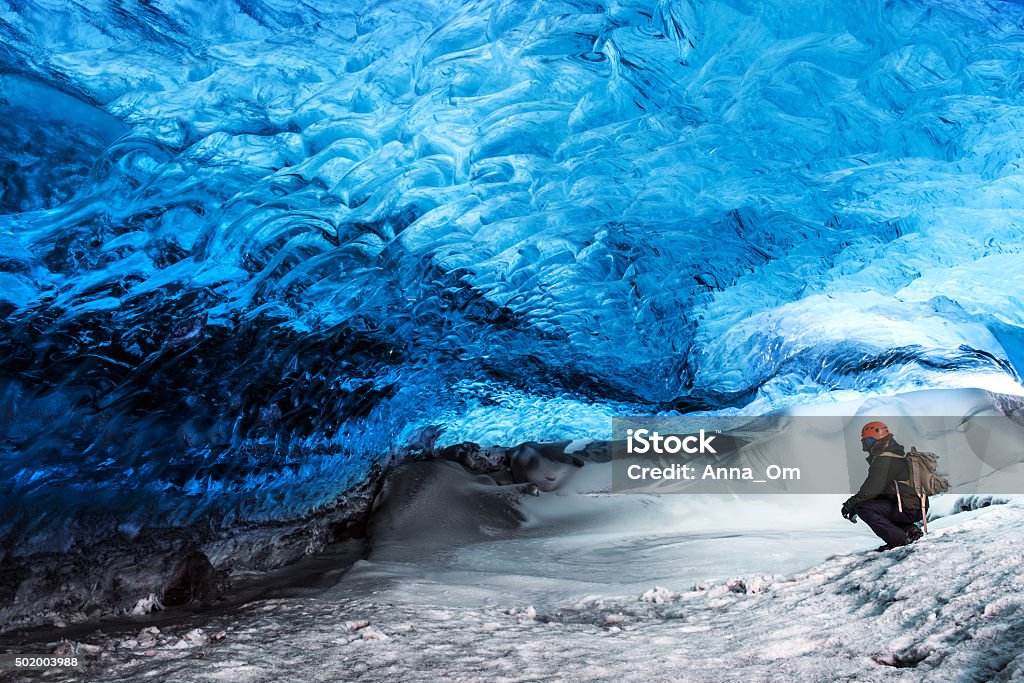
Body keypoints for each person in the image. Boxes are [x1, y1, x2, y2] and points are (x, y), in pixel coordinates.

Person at [841, 421, 925, 551]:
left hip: (908, 508)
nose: (866, 443)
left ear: (877, 441)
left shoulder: (884, 460)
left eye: (869, 440)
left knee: (863, 507)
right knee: (875, 503)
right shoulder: (893, 454)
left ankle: (899, 540)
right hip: (914, 506)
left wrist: (849, 505)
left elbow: (870, 491)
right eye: (865, 440)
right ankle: (910, 530)